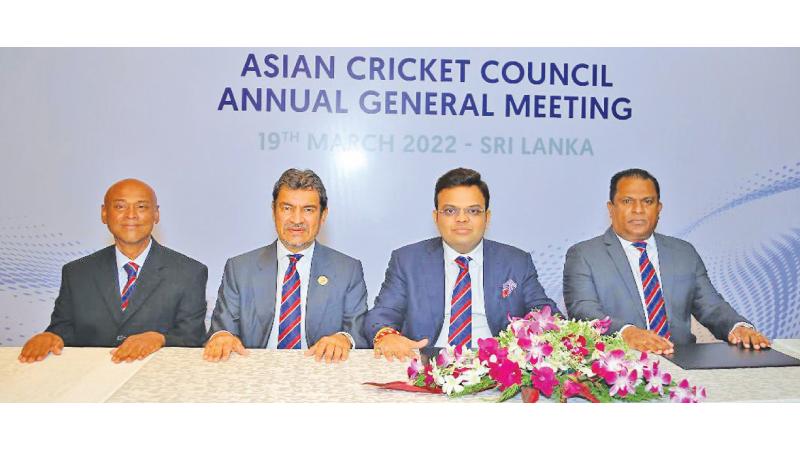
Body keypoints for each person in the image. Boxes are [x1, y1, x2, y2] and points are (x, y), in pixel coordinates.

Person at [563, 168, 770, 354]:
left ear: (659, 209)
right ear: (611, 209)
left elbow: (711, 305)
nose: (638, 209)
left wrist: (738, 327)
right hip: (620, 364)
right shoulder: (584, 255)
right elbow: (583, 312)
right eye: (627, 201)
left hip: (683, 361)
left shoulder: (683, 253)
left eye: (647, 201)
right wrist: (626, 332)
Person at [365, 167, 561, 361]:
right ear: (436, 217)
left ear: (487, 218)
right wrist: (387, 335)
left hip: (497, 367)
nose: (461, 218)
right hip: (426, 364)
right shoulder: (407, 260)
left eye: (473, 211)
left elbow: (544, 313)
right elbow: (383, 314)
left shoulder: (516, 262)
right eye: (450, 210)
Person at [18, 179, 208, 363]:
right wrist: (50, 337)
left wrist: (160, 338)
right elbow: (62, 330)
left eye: (141, 207)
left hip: (155, 381)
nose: (131, 215)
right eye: (120, 207)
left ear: (156, 214)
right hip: (90, 383)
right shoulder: (76, 272)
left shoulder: (189, 272)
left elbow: (191, 338)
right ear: (104, 213)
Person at [204, 168, 368, 363]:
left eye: (308, 210)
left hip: (322, 372)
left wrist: (343, 339)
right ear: (274, 211)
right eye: (287, 208)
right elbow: (222, 327)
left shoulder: (348, 270)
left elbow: (357, 331)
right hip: (254, 375)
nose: (297, 220)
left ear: (323, 215)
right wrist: (222, 337)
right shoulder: (239, 268)